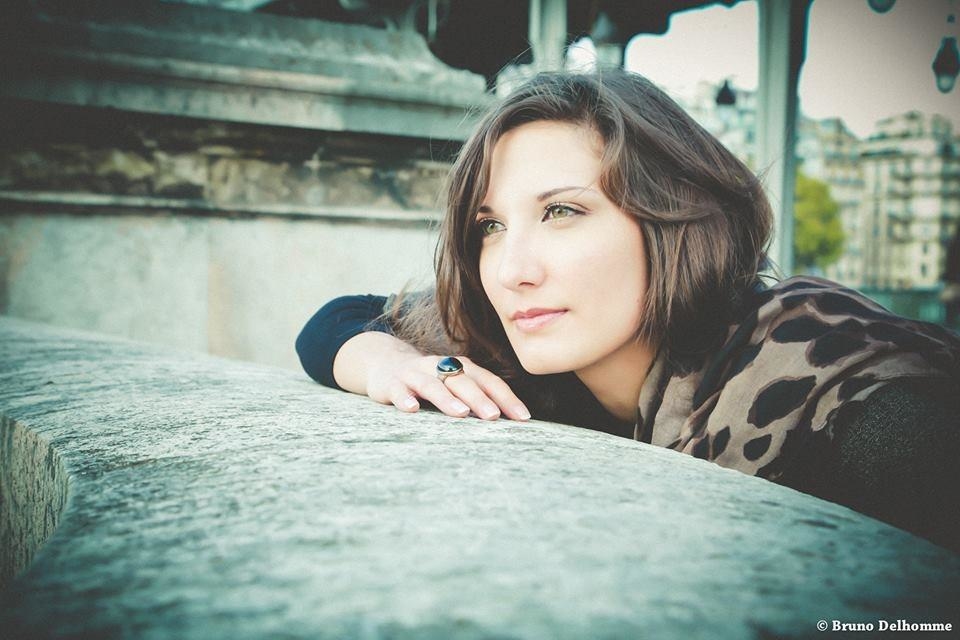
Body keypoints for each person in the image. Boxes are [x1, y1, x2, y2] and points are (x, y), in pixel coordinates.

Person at [296, 69, 960, 553]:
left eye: (562, 211)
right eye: (490, 226)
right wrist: (387, 361)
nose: (510, 271)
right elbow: (338, 319)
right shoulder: (519, 348)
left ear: (671, 221)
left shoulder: (836, 387)